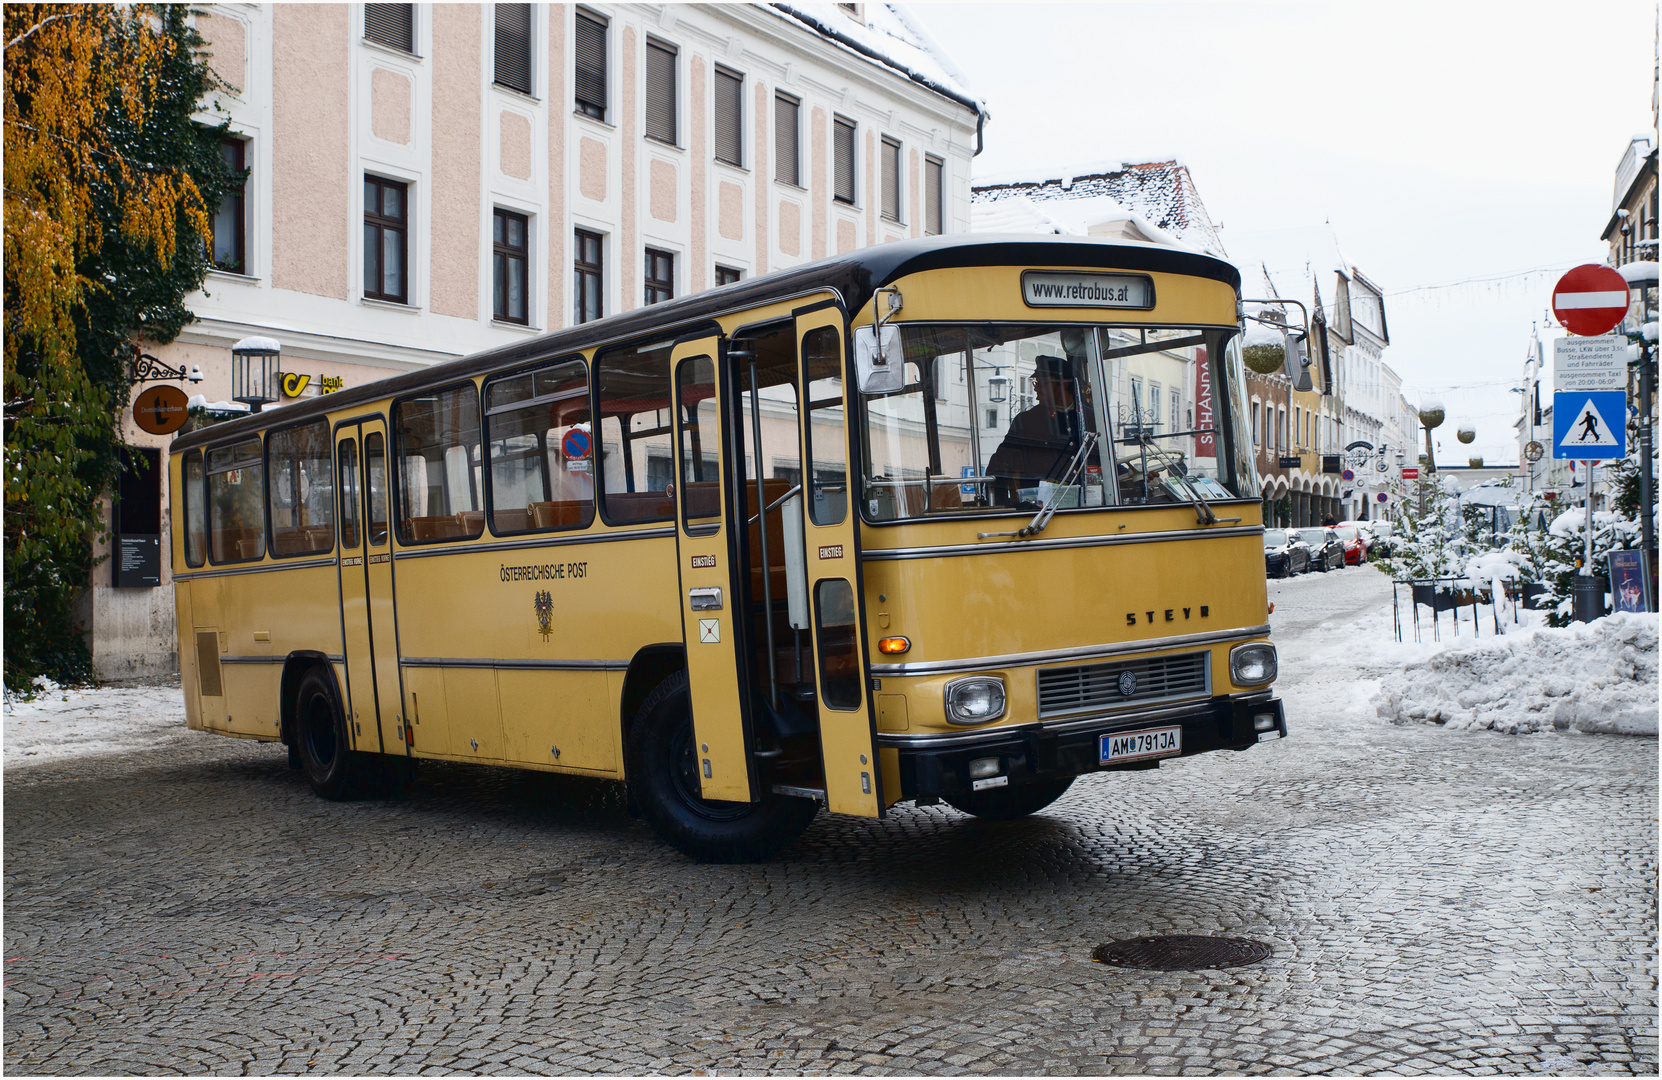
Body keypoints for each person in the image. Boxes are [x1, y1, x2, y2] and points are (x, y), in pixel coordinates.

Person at [987, 355, 1086, 496]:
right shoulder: (1027, 421)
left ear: (1062, 385)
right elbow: (997, 468)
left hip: (1089, 508)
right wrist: (1001, 510)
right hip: (1039, 511)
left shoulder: (1090, 418)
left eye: (1042, 383)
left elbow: (1105, 461)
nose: (1036, 389)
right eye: (1036, 383)